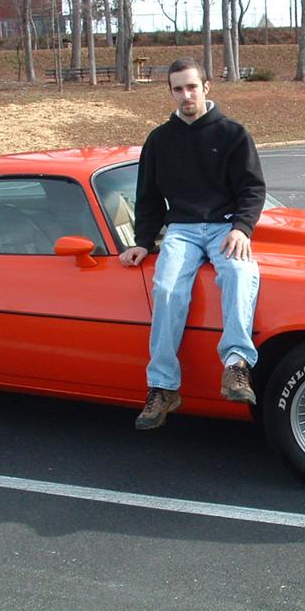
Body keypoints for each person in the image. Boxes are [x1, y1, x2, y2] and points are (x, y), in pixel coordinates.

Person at [118, 57, 266, 430]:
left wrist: (242, 228)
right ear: (170, 92)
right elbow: (148, 197)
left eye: (192, 87)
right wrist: (142, 241)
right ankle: (163, 387)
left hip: (225, 226)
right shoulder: (159, 140)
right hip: (181, 230)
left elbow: (252, 189)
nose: (186, 95)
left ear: (206, 87)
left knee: (239, 272)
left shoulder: (233, 134)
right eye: (178, 89)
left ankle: (236, 366)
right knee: (167, 288)